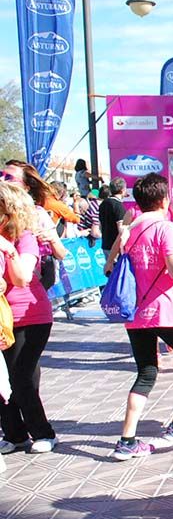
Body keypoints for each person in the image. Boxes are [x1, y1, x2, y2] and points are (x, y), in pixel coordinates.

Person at [102, 174, 173, 460]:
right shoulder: (166, 228)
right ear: (164, 200)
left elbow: (109, 265)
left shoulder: (129, 228)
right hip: (164, 310)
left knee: (147, 372)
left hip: (135, 311)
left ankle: (127, 441)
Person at [0, 182, 59, 454]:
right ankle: (15, 434)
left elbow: (22, 277)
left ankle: (43, 433)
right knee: (6, 379)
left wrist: (7, 249)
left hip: (29, 316)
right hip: (3, 319)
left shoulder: (24, 237)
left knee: (21, 378)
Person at [99, 177, 128, 253]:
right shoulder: (118, 206)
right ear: (122, 190)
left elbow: (100, 225)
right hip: (116, 247)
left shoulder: (103, 204)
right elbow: (121, 229)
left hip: (105, 244)